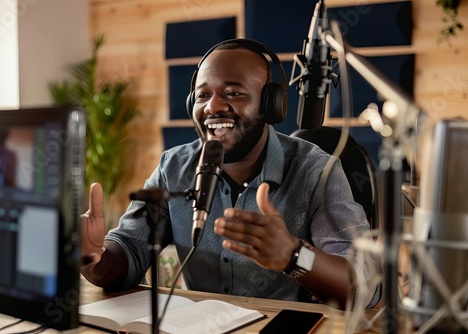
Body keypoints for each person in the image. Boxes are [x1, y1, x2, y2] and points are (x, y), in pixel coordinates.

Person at [81, 38, 382, 310]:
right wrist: (94, 257)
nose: (213, 106)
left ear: (270, 105)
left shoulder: (316, 170)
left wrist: (293, 256)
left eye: (234, 92)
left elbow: (366, 286)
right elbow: (129, 253)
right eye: (202, 95)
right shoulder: (173, 167)